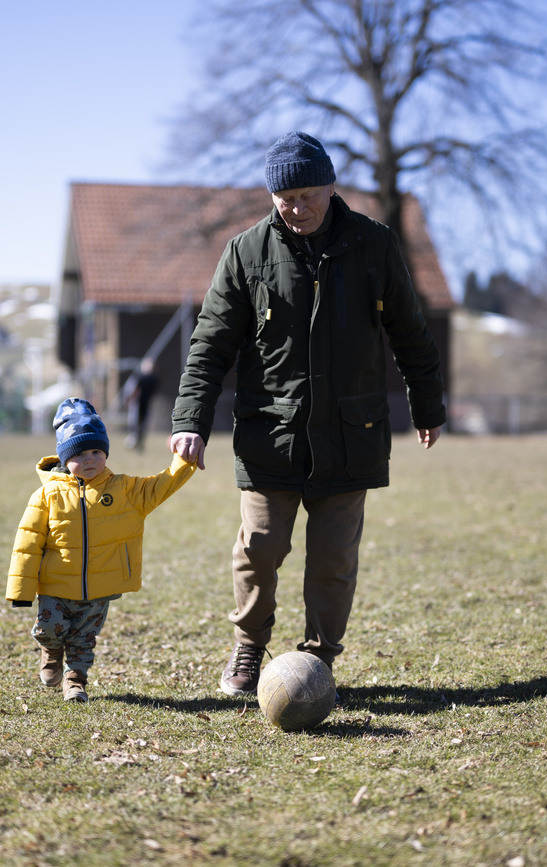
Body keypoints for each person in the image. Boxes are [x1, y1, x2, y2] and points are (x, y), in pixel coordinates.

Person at [169, 131, 446, 698]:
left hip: (352, 434)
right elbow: (210, 342)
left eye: (306, 196)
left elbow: (410, 332)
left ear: (331, 186)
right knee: (259, 547)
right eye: (284, 199)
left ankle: (318, 659)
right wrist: (189, 419)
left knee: (334, 560)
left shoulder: (375, 245)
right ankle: (249, 647)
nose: (296, 209)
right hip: (271, 432)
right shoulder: (246, 253)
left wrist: (427, 402)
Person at [7, 398, 197, 701]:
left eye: (96, 451)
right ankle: (51, 651)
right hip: (55, 587)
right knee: (50, 628)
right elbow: (26, 544)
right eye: (80, 453)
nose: (90, 459)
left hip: (98, 591)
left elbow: (162, 484)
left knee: (84, 640)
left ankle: (75, 681)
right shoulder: (47, 495)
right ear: (64, 456)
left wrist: (184, 460)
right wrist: (21, 591)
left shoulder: (125, 491)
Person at [123, 357, 160, 451]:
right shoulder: (140, 377)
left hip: (145, 404)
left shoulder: (153, 379)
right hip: (137, 404)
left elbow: (153, 391)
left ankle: (139, 443)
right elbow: (134, 390)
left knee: (142, 425)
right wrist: (130, 398)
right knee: (135, 423)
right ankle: (133, 441)